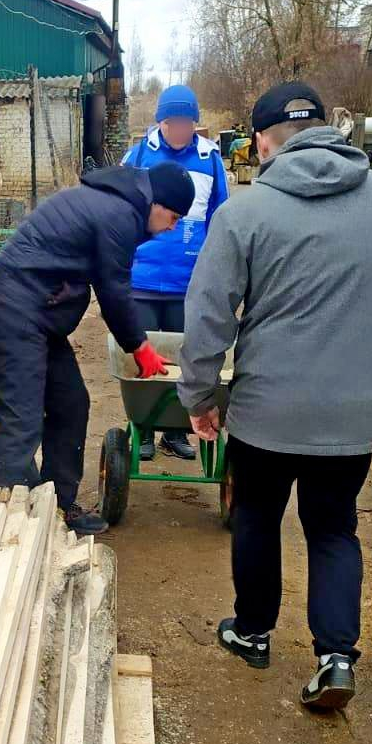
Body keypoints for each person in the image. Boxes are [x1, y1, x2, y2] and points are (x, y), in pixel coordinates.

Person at [177, 81, 372, 710]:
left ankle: (254, 633)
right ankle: (336, 658)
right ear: (325, 128)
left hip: (266, 412)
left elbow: (209, 313)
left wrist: (199, 395)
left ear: (262, 141)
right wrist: (366, 361)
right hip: (350, 413)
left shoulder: (246, 211)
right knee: (334, 528)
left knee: (258, 518)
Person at [0, 162, 196, 535]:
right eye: (173, 217)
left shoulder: (117, 203)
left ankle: (57, 506)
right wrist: (138, 346)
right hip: (12, 310)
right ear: (156, 203)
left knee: (71, 404)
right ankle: (11, 528)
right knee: (22, 421)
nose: (172, 227)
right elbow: (114, 289)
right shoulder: (120, 214)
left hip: (40, 312)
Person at [121, 84, 229, 461]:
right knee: (144, 355)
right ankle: (146, 429)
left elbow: (222, 218)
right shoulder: (138, 156)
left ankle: (176, 431)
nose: (181, 130)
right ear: (161, 123)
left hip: (188, 281)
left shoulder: (210, 159)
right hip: (144, 279)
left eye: (187, 124)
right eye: (173, 123)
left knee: (186, 358)